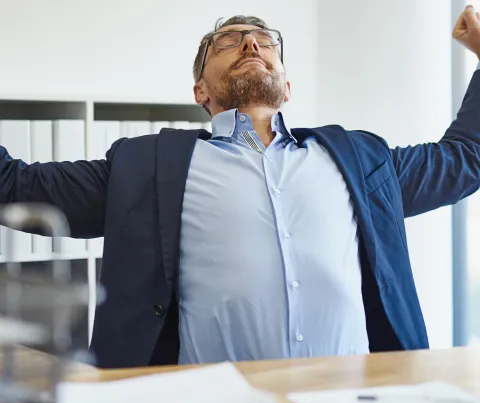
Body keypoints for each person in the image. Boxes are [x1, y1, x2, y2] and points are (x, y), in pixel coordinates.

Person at [1, 8, 480, 369]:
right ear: (200, 93)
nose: (251, 44)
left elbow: (465, 159)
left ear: (287, 87)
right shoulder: (143, 167)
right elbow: (12, 184)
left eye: (265, 41)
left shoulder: (363, 160)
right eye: (227, 42)